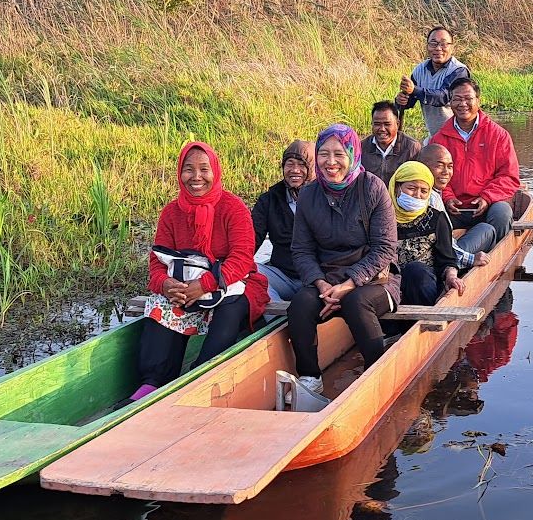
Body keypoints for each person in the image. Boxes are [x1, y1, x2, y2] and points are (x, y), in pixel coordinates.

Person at [133, 141, 268, 401]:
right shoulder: (172, 212)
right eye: (188, 169)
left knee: (232, 309)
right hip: (185, 286)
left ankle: (199, 377)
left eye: (204, 169)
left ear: (215, 172)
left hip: (231, 286)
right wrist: (166, 285)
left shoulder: (233, 208)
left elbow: (241, 260)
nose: (196, 177)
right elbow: (157, 261)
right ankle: (153, 383)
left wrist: (204, 285)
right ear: (179, 173)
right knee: (160, 306)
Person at [287, 123, 399, 399]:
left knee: (355, 302)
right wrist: (321, 284)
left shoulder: (373, 188)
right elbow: (301, 250)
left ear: (352, 154)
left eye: (339, 154)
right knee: (300, 305)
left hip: (376, 279)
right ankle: (310, 378)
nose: (331, 162)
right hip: (328, 280)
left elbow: (384, 248)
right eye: (323, 154)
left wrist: (351, 283)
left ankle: (378, 374)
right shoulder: (309, 195)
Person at [429, 77, 521, 257]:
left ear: (478, 100)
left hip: (488, 206)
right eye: (456, 99)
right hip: (453, 207)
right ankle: (453, 256)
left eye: (468, 99)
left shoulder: (498, 135)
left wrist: (487, 197)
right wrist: (447, 197)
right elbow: (433, 175)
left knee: (502, 213)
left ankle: (492, 259)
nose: (462, 104)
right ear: (450, 102)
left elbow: (509, 177)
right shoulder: (439, 139)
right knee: (429, 215)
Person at [388, 161, 466, 306]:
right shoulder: (382, 216)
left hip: (424, 285)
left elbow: (447, 258)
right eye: (411, 188)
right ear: (397, 187)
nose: (417, 195)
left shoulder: (436, 218)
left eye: (424, 191)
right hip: (389, 283)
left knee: (416, 270)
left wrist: (451, 276)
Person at [252, 139, 314, 301]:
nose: (295, 170)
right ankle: (276, 319)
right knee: (248, 273)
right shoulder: (269, 200)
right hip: (282, 275)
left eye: (301, 165)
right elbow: (251, 239)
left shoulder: (323, 197)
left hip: (316, 279)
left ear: (312, 168)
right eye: (289, 164)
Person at [417, 144, 489, 270]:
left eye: (450, 166)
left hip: (436, 253)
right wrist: (472, 259)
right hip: (435, 260)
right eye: (439, 166)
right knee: (487, 231)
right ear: (422, 167)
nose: (446, 172)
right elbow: (443, 248)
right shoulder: (430, 196)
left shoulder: (433, 191)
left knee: (484, 229)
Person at [396, 26, 469, 139]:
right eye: (433, 44)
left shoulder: (459, 71)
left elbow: (443, 96)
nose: (438, 48)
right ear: (427, 46)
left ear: (452, 48)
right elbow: (409, 101)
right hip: (435, 135)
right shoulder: (419, 70)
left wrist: (414, 90)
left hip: (459, 136)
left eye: (444, 44)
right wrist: (400, 100)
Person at [360, 101, 421, 183]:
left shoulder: (412, 148)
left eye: (387, 124)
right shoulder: (362, 147)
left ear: (397, 124)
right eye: (377, 124)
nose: (382, 129)